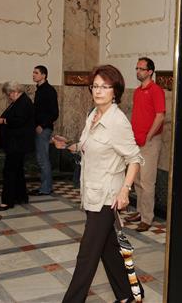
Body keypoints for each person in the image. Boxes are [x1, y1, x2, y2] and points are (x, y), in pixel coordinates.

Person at [53, 65, 144, 303]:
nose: (98, 91)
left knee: (87, 256)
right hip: (91, 193)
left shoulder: (117, 121)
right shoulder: (93, 115)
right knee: (108, 249)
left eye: (105, 86)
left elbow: (134, 158)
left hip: (108, 196)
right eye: (95, 86)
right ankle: (129, 295)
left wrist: (125, 190)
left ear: (116, 91)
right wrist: (70, 146)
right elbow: (89, 147)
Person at [126, 57, 165, 232]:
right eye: (136, 68)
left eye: (141, 69)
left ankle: (147, 218)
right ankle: (140, 211)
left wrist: (148, 137)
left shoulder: (156, 90)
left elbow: (160, 116)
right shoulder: (137, 91)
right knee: (137, 179)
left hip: (149, 142)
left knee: (148, 181)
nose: (138, 71)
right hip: (135, 141)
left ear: (150, 71)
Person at [0, 81, 35, 211]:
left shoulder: (23, 102)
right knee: (17, 171)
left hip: (17, 143)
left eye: (9, 94)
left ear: (14, 91)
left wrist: (3, 121)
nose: (8, 96)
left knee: (9, 171)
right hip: (16, 143)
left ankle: (7, 201)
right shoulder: (20, 101)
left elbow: (19, 121)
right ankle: (21, 196)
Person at [29, 65, 59, 196]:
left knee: (43, 159)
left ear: (44, 75)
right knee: (41, 158)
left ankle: (46, 188)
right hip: (38, 128)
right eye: (33, 72)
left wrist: (42, 125)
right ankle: (44, 186)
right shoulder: (40, 90)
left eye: (36, 73)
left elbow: (54, 113)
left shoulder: (49, 90)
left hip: (44, 129)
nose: (33, 75)